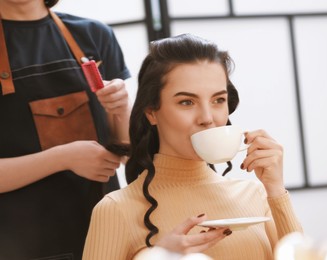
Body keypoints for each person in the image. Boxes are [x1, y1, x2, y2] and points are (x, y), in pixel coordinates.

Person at [82, 33, 303, 260]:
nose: (207, 118)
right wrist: (159, 257)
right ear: (151, 112)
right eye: (186, 102)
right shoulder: (116, 209)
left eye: (218, 100)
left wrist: (276, 189)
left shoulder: (255, 196)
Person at [0, 0, 131, 259]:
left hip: (107, 231)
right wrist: (64, 158)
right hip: (21, 243)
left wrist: (122, 106)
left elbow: (126, 151)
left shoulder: (94, 34)